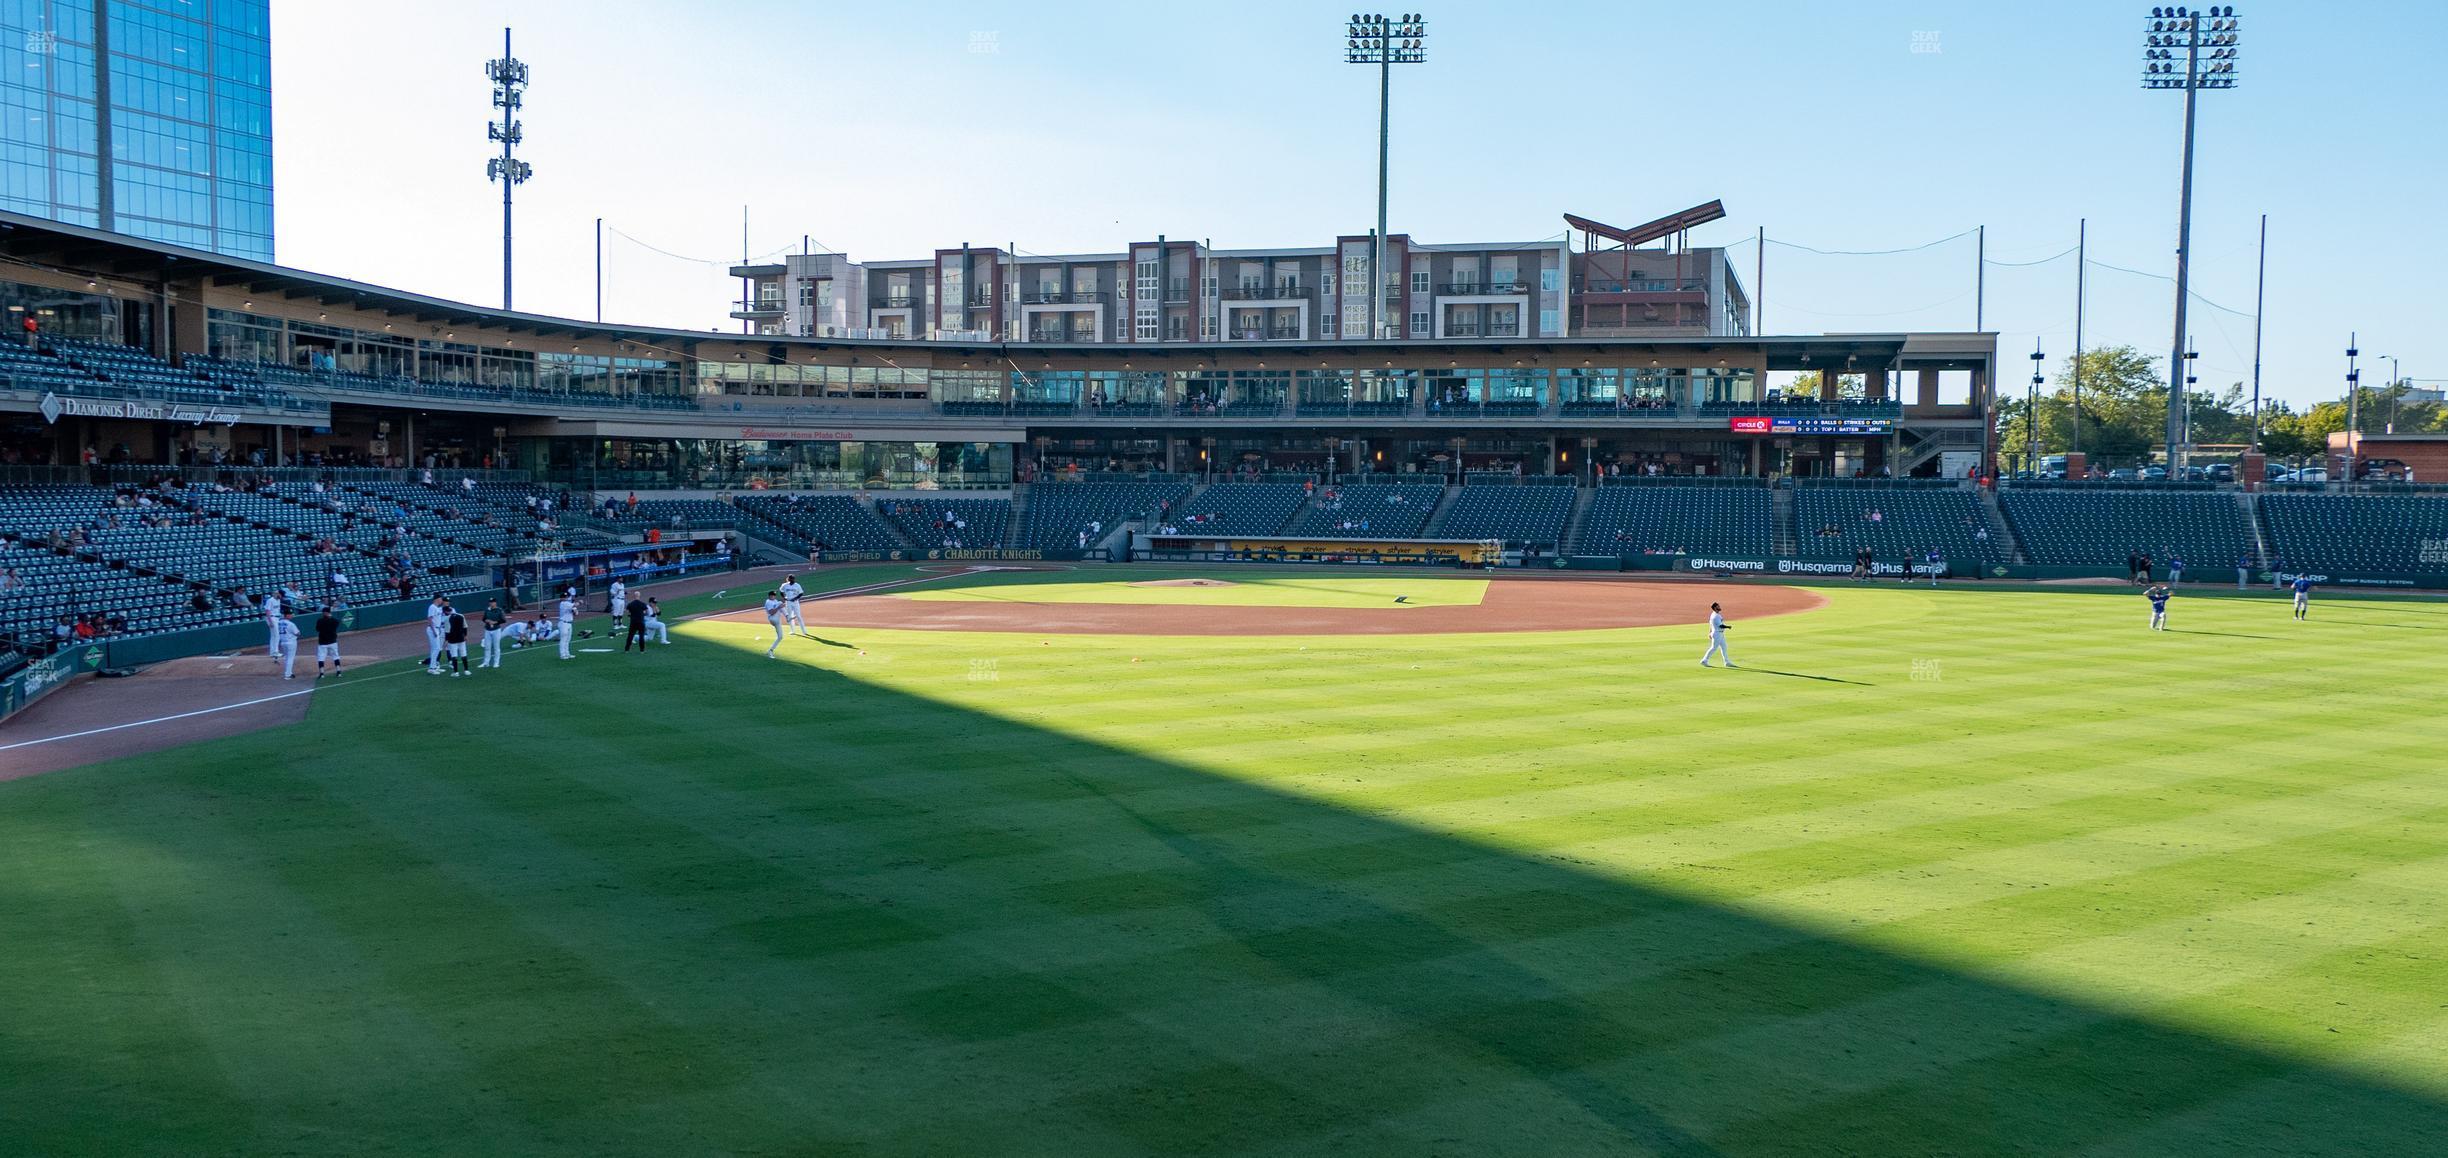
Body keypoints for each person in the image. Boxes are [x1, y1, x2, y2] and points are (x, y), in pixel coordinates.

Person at [1699, 602, 1735, 668]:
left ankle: (1727, 662)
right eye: (1718, 606)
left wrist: (1710, 632)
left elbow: (1711, 624)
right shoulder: (1715, 616)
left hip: (1719, 633)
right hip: (1717, 634)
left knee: (1724, 647)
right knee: (1713, 648)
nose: (1719, 607)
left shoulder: (1714, 614)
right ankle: (1704, 660)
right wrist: (1728, 627)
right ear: (1715, 608)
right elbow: (1720, 625)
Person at [313, 605, 343, 678]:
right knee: (335, 656)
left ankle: (322, 673)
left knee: (321, 658)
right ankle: (339, 672)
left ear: (325, 612)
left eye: (323, 612)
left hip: (322, 642)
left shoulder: (320, 620)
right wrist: (330, 617)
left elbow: (317, 629)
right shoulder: (334, 620)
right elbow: (337, 622)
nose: (322, 613)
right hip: (332, 641)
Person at [443, 604, 471, 676]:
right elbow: (465, 627)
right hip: (461, 638)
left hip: (452, 639)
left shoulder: (447, 618)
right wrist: (465, 635)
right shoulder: (461, 616)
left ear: (446, 612)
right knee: (463, 654)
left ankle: (456, 672)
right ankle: (466, 670)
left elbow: (447, 631)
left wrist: (446, 640)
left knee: (454, 655)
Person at [425, 596, 450, 675]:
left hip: (437, 629)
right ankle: (432, 668)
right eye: (441, 599)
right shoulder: (432, 607)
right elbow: (429, 619)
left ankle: (434, 666)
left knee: (435, 648)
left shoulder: (437, 608)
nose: (442, 600)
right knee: (436, 648)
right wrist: (434, 631)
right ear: (437, 599)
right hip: (433, 629)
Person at [480, 598, 507, 669]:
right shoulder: (487, 610)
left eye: (492, 602)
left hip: (496, 630)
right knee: (487, 647)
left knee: (496, 647)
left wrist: (495, 622)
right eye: (490, 602)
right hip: (488, 629)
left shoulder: (499, 610)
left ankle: (496, 663)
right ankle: (486, 663)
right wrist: (487, 620)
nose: (491, 603)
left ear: (495, 603)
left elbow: (503, 620)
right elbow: (483, 619)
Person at [763, 591, 786, 657]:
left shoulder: (775, 601)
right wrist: (779, 606)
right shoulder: (768, 602)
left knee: (780, 637)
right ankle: (788, 617)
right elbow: (771, 612)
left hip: (777, 619)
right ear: (769, 596)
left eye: (774, 595)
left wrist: (784, 602)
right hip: (773, 618)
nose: (774, 596)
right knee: (780, 603)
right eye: (773, 595)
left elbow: (782, 606)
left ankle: (770, 650)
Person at [556, 587, 577, 659]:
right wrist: (580, 602)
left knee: (568, 640)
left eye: (567, 597)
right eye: (564, 597)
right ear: (561, 598)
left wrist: (574, 611)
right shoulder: (563, 603)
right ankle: (562, 655)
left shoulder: (568, 604)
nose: (566, 598)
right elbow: (575, 605)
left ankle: (567, 653)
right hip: (563, 624)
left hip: (569, 623)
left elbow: (576, 613)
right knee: (563, 639)